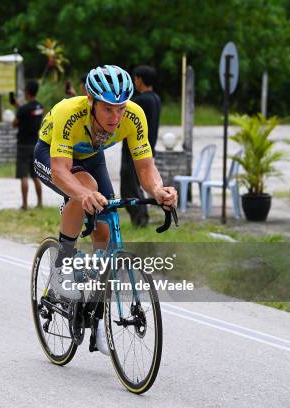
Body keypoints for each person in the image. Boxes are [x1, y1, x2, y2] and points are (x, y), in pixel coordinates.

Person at [33, 65, 177, 354]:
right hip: (51, 155)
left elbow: (146, 168)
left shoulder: (134, 116)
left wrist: (158, 190)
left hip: (91, 156)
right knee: (84, 187)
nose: (116, 117)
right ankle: (62, 266)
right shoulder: (68, 112)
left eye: (120, 109)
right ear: (91, 100)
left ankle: (98, 321)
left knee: (105, 229)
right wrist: (83, 194)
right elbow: (61, 171)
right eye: (108, 110)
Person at [120, 65, 162, 227]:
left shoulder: (141, 101)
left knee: (129, 187)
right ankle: (141, 218)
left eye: (135, 78)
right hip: (148, 149)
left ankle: (140, 219)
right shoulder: (155, 99)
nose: (134, 81)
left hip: (133, 150)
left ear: (139, 79)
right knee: (136, 185)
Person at [11, 79, 43, 209]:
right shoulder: (40, 107)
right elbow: (31, 113)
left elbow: (14, 123)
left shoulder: (23, 109)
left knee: (23, 176)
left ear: (28, 92)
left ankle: (24, 204)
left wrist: (19, 109)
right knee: (35, 175)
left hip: (23, 145)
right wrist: (20, 107)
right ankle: (40, 203)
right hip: (35, 144)